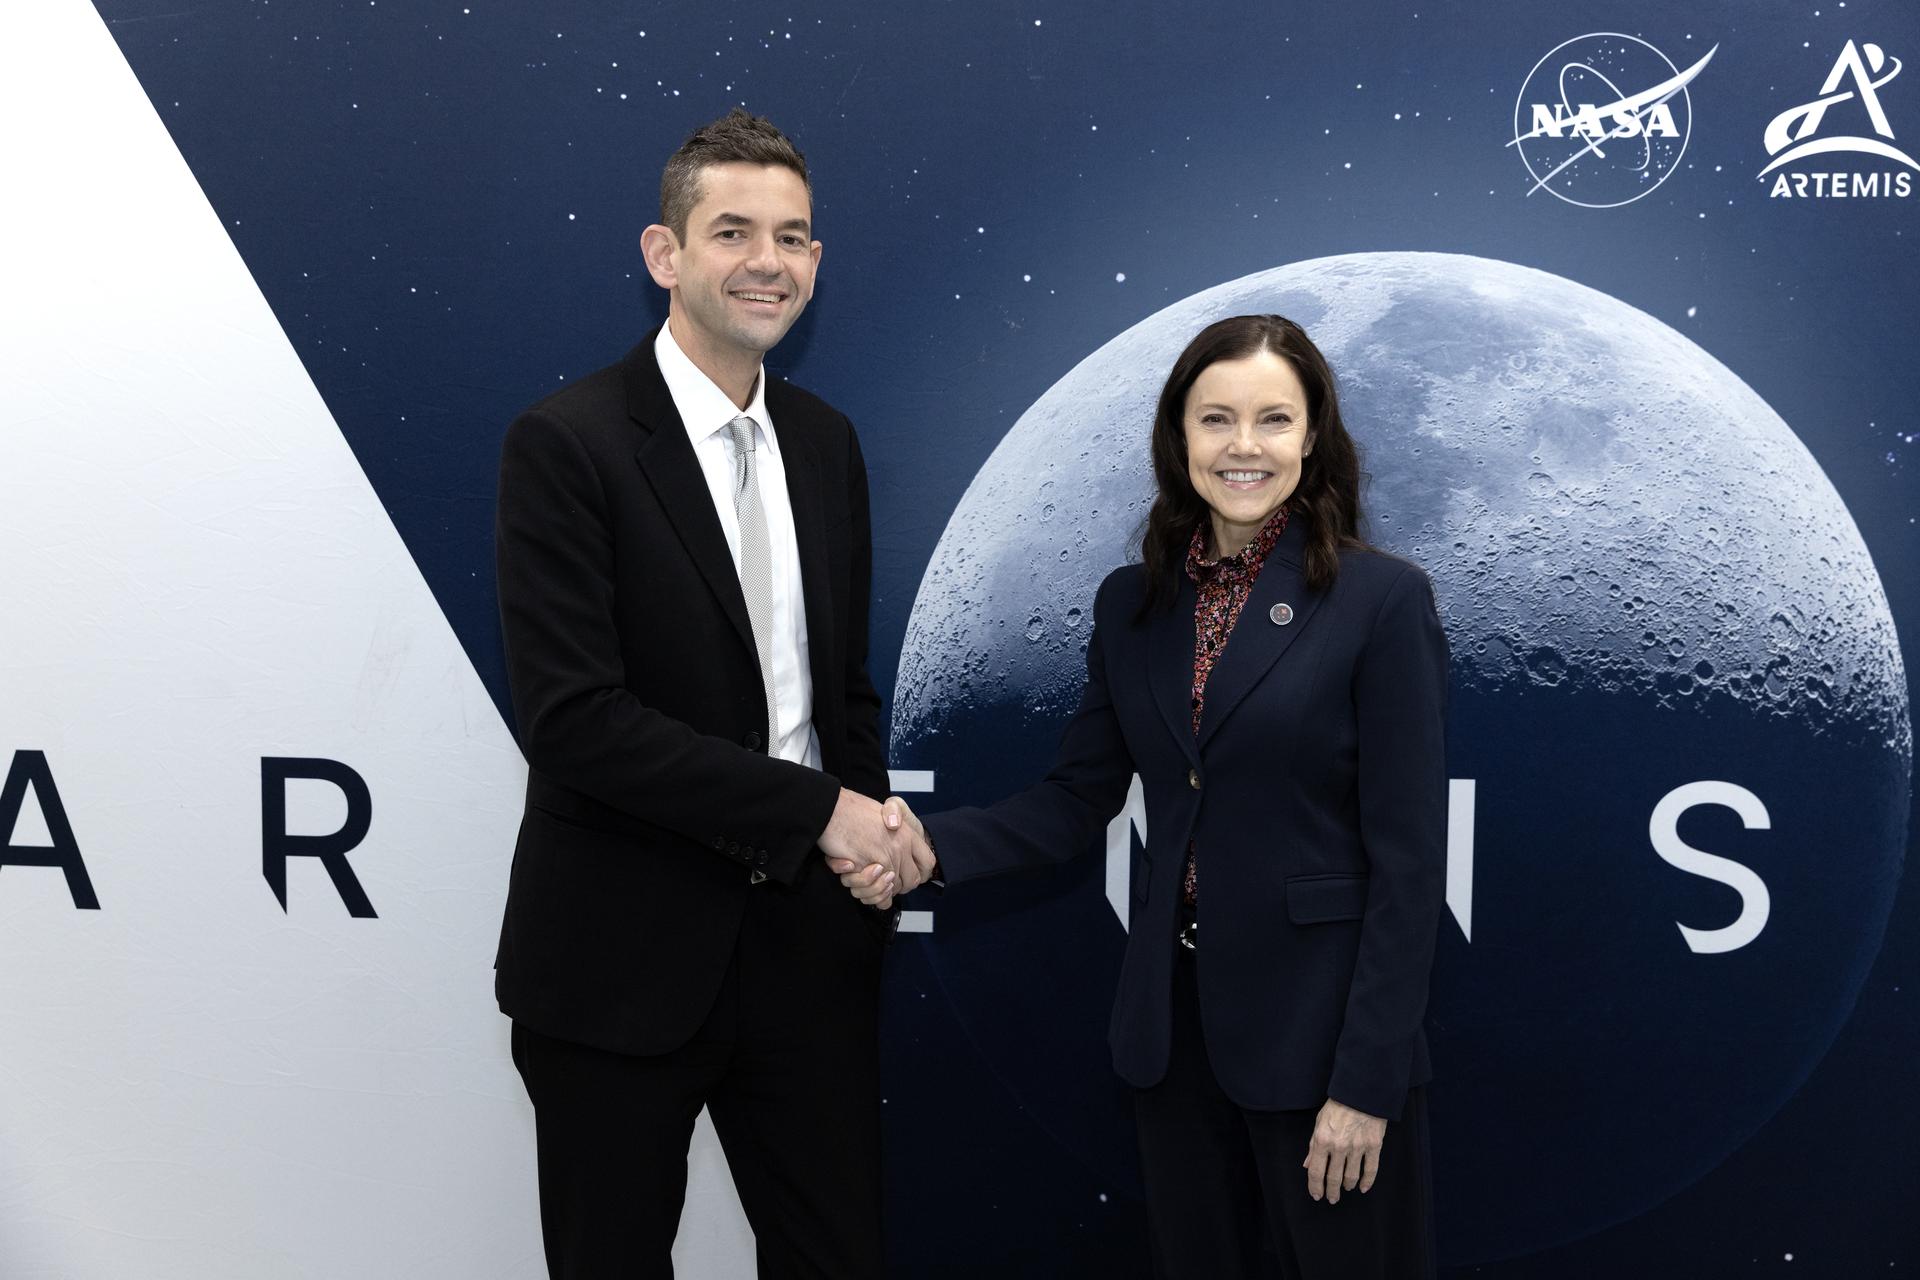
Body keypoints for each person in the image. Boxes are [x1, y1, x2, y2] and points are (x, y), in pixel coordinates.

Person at [837, 315, 1448, 1278]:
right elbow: (1076, 798)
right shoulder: (1134, 604)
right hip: (1175, 1039)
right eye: (1216, 419)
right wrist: (927, 848)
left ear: (1313, 438)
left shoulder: (1381, 602)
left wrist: (1365, 1084)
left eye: (1273, 420)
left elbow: (1411, 868)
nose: (1243, 446)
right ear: (1179, 437)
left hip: (1323, 1045)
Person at [492, 108, 931, 1279]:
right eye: (731, 230)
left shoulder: (826, 442)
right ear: (664, 253)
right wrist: (815, 810)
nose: (766, 261)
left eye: (791, 237)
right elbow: (578, 720)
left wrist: (865, 828)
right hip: (619, 957)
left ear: (817, 264)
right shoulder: (567, 443)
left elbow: (837, 691)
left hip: (808, 952)